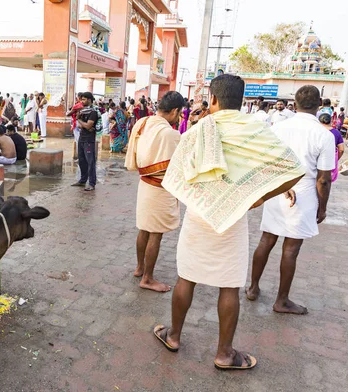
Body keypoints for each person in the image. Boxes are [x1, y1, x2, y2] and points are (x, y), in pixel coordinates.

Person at [155, 75, 304, 370]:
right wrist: (257, 198)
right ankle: (224, 354)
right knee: (229, 287)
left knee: (186, 277)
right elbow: (294, 169)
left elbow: (179, 173)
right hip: (234, 217)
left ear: (213, 98)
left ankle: (173, 336)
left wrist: (250, 197)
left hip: (200, 213)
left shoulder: (198, 131)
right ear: (241, 99)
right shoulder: (255, 128)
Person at [247, 85, 334, 315]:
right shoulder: (324, 135)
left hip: (278, 189)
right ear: (319, 105)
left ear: (294, 105)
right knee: (291, 248)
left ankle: (253, 287)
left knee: (266, 239)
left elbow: (265, 161)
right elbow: (324, 179)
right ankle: (281, 300)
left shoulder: (278, 127)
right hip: (304, 192)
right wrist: (323, 207)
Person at [125, 91, 185, 292]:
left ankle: (140, 268)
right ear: (175, 110)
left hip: (145, 184)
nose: (179, 118)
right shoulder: (170, 133)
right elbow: (179, 165)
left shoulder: (143, 123)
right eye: (179, 113)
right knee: (155, 234)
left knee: (144, 228)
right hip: (160, 188)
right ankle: (148, 279)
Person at [71, 92, 99, 191]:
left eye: (83, 99)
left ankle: (92, 183)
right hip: (82, 138)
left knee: (90, 162)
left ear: (89, 100)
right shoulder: (84, 112)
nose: (82, 101)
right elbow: (81, 126)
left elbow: (88, 125)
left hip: (89, 140)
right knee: (82, 160)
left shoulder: (93, 112)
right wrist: (83, 123)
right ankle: (83, 180)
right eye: (81, 99)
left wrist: (81, 121)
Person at [319, 113, 344, 182]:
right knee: (326, 182)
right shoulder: (336, 132)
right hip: (329, 161)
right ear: (331, 121)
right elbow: (341, 149)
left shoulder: (316, 131)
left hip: (316, 161)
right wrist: (335, 159)